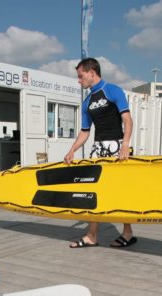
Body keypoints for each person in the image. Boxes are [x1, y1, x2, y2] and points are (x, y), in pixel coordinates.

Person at [64, 57, 136, 249]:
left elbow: (127, 119)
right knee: (92, 192)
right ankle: (92, 236)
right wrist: (72, 150)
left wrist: (125, 144)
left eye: (80, 76)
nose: (79, 81)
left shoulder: (112, 90)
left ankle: (127, 232)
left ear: (91, 72)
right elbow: (85, 131)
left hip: (117, 145)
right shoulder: (87, 101)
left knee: (119, 191)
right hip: (98, 149)